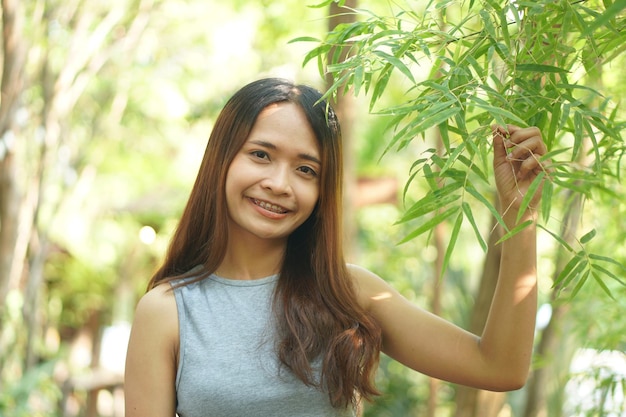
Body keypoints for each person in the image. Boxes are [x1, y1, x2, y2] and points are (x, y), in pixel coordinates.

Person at [124, 78, 548, 417]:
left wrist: (520, 216)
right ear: (222, 159)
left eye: (306, 169)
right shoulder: (169, 311)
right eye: (260, 154)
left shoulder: (350, 292)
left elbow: (500, 367)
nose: (279, 183)